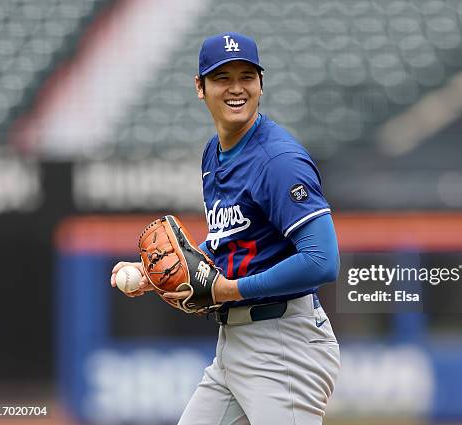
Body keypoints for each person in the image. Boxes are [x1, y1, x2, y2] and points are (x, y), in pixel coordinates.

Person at [110, 32, 340, 425]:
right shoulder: (214, 153)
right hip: (235, 345)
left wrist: (229, 289)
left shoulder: (277, 160)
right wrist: (159, 273)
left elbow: (322, 261)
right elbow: (230, 243)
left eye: (247, 77)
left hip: (283, 345)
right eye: (222, 78)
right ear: (200, 87)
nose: (236, 89)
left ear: (261, 85)